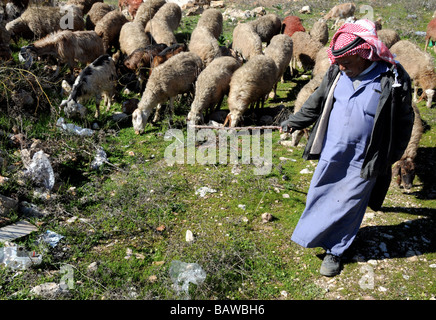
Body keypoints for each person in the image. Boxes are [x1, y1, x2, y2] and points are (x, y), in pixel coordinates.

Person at [280, 19, 415, 277]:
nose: (343, 68)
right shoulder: (336, 72)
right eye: (339, 62)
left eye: (348, 63)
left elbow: (404, 119)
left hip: (366, 157)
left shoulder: (392, 77)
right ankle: (316, 235)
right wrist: (293, 122)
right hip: (333, 150)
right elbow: (317, 101)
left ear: (366, 54)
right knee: (321, 194)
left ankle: (336, 251)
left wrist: (392, 155)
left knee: (350, 203)